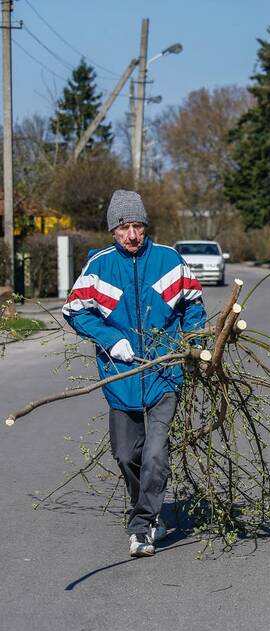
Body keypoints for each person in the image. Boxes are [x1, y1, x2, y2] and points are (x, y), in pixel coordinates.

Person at [62, 189, 207, 558]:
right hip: (121, 376)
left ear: (145, 226)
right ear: (113, 229)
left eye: (137, 225)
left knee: (156, 453)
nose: (132, 234)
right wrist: (111, 340)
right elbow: (76, 310)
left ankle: (143, 525)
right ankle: (143, 500)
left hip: (164, 373)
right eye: (124, 227)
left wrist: (191, 344)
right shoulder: (99, 267)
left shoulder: (169, 261)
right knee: (127, 455)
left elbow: (193, 306)